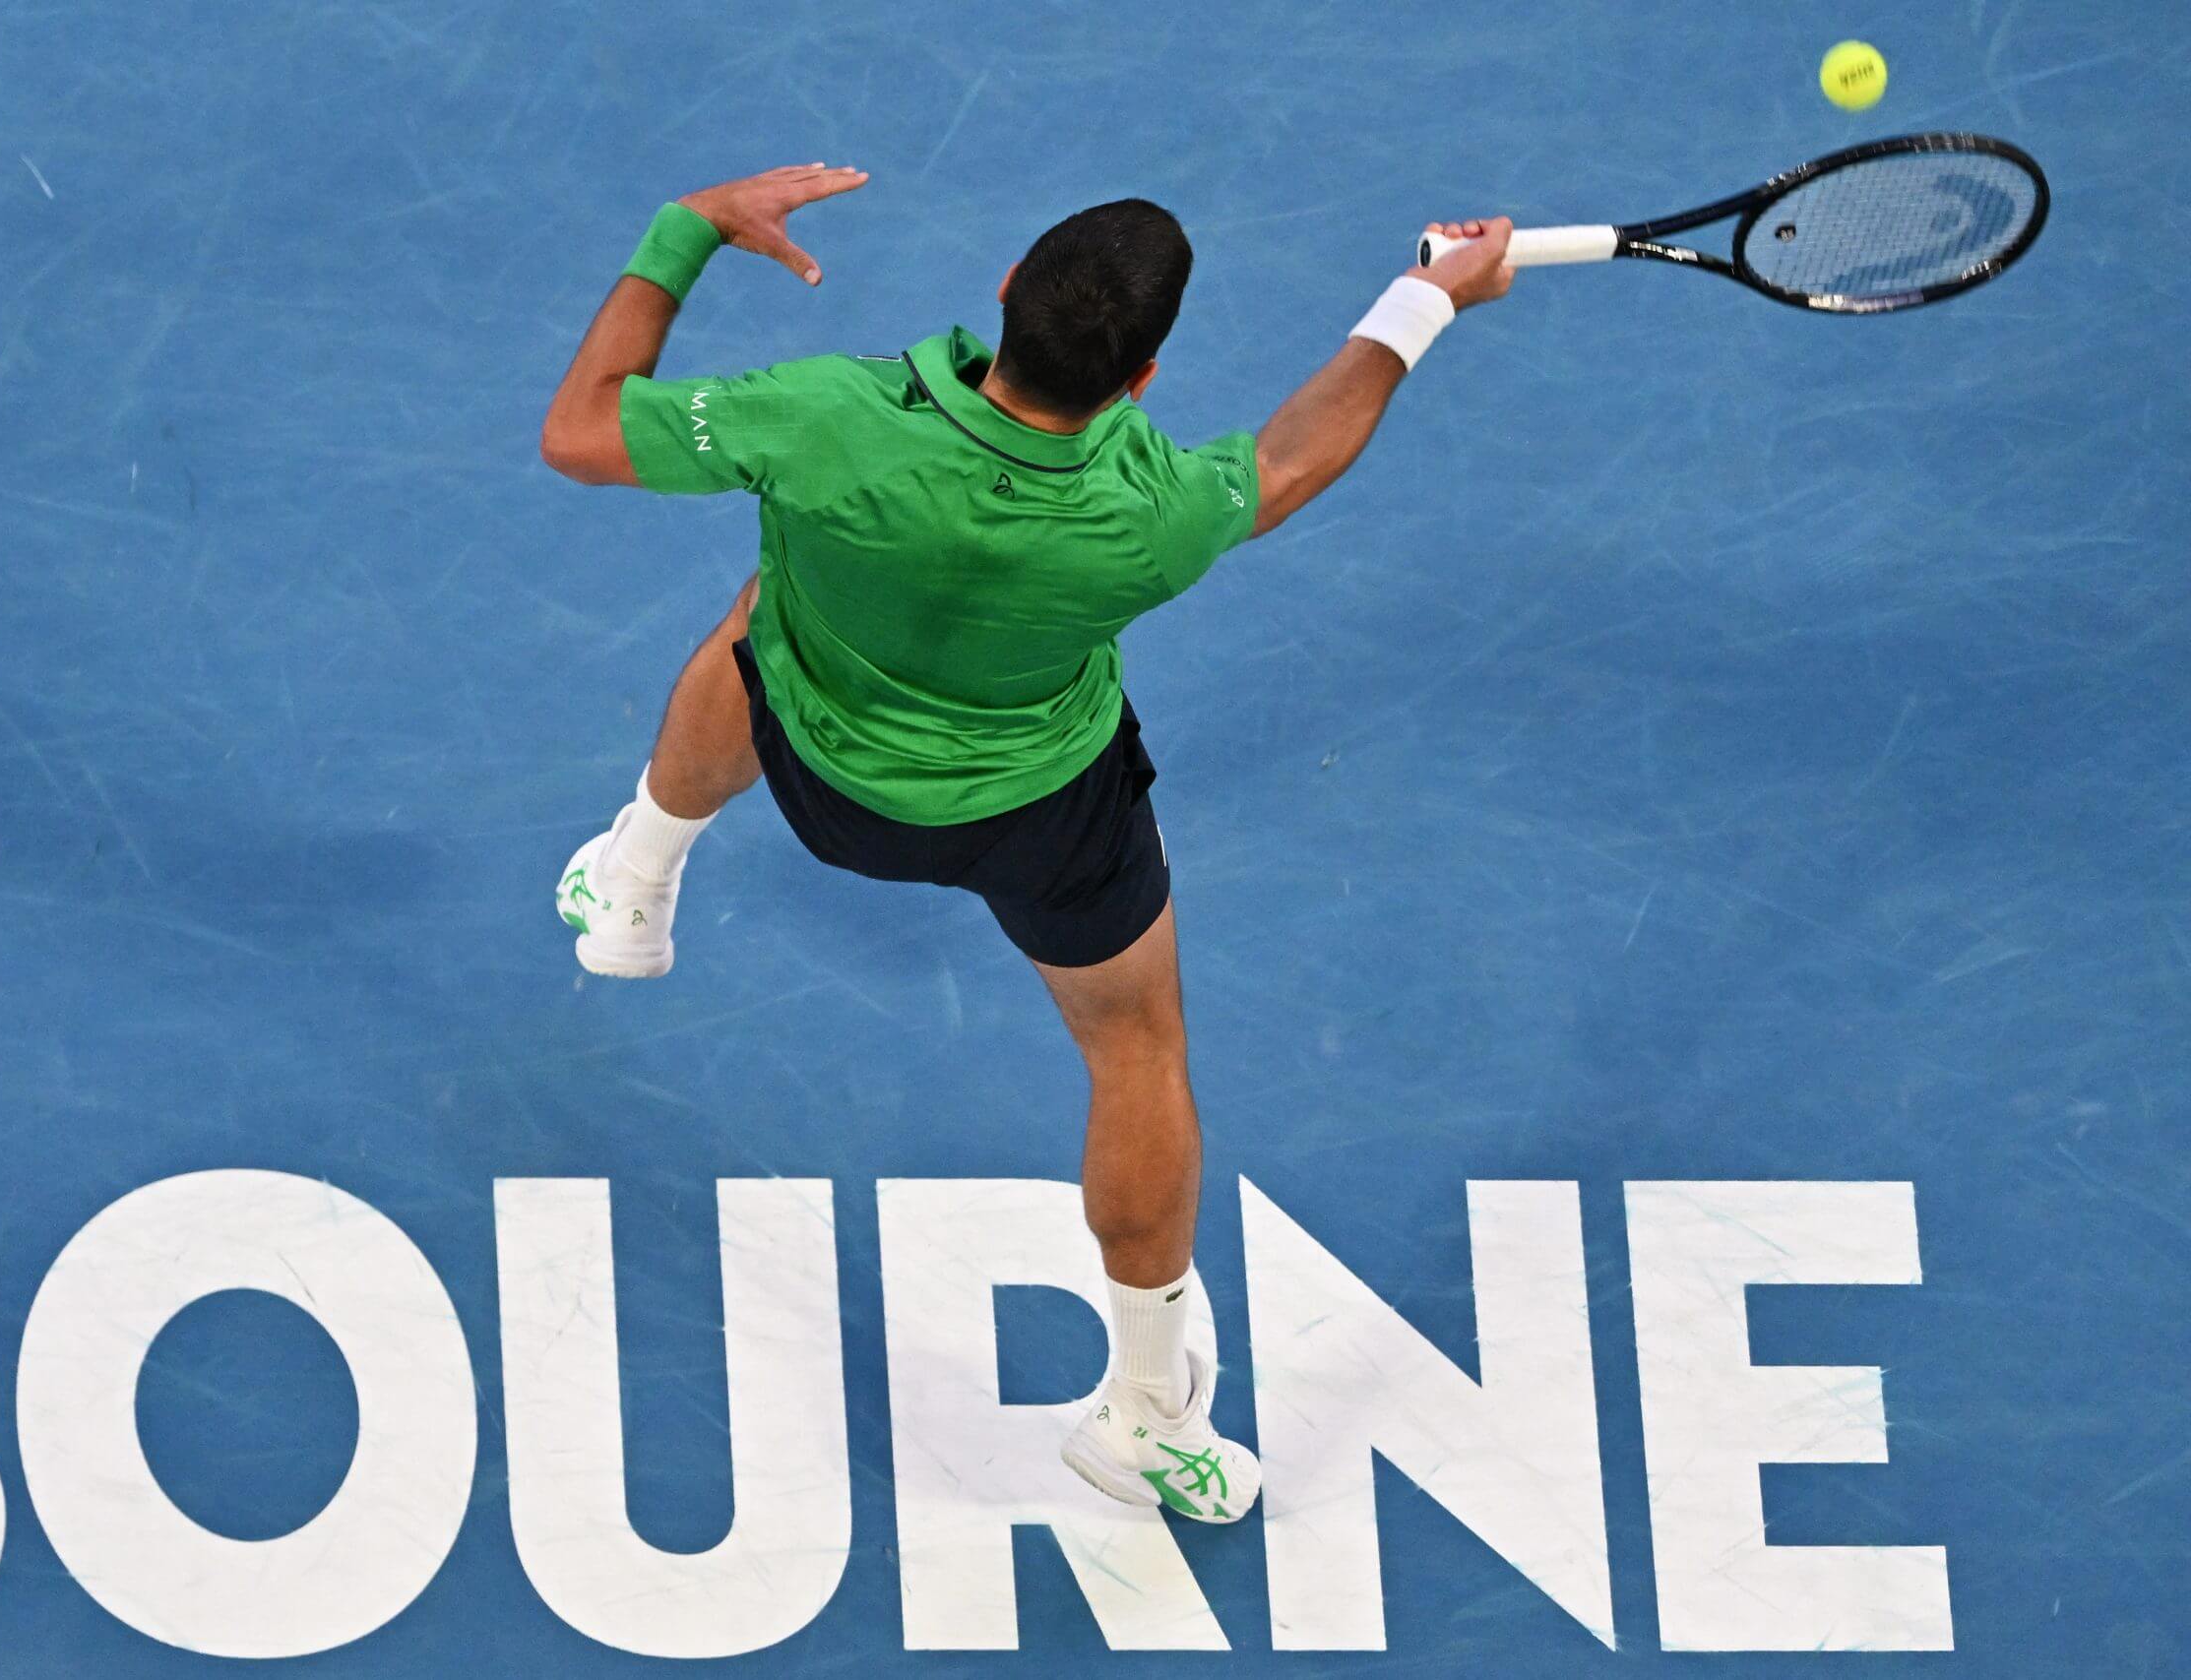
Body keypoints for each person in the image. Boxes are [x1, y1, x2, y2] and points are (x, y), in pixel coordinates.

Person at [539, 162, 1513, 1524]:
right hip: (1047, 820)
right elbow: (1291, 459)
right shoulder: (1155, 515)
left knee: (773, 602)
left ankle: (638, 879)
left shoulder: (828, 419)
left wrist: (688, 226)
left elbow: (580, 431)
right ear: (1145, 379)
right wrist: (1423, 300)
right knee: (1137, 1052)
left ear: (1004, 294)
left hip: (825, 772)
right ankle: (1146, 1412)